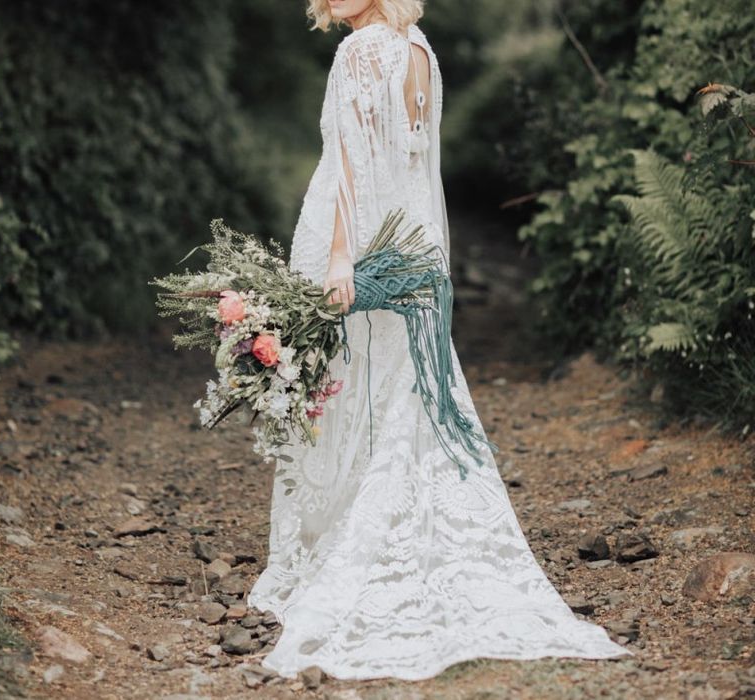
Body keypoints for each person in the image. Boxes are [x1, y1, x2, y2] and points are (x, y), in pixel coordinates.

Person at [247, 0, 632, 681]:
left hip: (361, 242)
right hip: (413, 243)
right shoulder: (419, 47)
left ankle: (351, 543)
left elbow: (351, 168)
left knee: (349, 387)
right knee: (410, 393)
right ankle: (411, 532)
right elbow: (413, 161)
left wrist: (341, 263)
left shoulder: (361, 51)